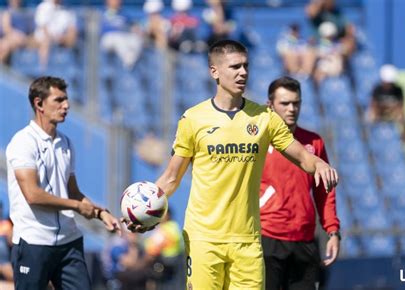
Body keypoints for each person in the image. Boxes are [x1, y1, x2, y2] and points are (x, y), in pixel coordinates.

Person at [125, 39, 339, 290]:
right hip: (205, 238)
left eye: (246, 66)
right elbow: (172, 177)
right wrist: (146, 210)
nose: (243, 73)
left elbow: (303, 156)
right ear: (214, 71)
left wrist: (320, 164)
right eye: (235, 67)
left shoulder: (264, 117)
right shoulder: (193, 119)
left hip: (247, 240)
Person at [5, 76, 121, 290]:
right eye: (58, 100)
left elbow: (73, 192)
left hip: (69, 242)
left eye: (66, 99)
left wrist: (99, 213)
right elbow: (33, 195)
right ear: (39, 104)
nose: (66, 105)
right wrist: (77, 207)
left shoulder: (66, 143)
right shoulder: (22, 143)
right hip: (33, 242)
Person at [260, 76, 340, 290]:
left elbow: (325, 192)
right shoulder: (258, 142)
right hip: (267, 238)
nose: (291, 108)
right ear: (270, 105)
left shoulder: (314, 142)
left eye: (296, 103)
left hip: (304, 240)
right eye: (285, 103)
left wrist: (332, 230)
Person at [367, 64, 405, 142]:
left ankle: (404, 139)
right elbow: (373, 105)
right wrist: (383, 108)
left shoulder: (398, 90)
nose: (389, 84)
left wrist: (390, 108)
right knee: (371, 116)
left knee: (403, 117)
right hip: (380, 111)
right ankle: (369, 137)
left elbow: (401, 106)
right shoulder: (377, 89)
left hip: (392, 112)